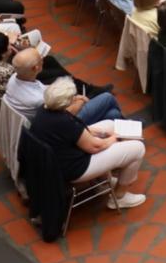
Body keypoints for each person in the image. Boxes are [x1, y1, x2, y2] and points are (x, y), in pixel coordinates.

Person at [34, 80, 148, 209]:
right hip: (76, 168)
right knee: (138, 148)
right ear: (65, 104)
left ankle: (102, 182)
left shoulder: (44, 111)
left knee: (110, 124)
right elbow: (96, 147)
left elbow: (75, 131)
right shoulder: (64, 121)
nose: (77, 98)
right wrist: (115, 138)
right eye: (74, 98)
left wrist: (101, 132)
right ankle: (120, 197)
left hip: (61, 157)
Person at [8, 49, 123, 124]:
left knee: (113, 114)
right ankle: (128, 127)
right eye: (40, 60)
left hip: (49, 117)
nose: (43, 59)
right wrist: (80, 100)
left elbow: (43, 90)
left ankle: (126, 127)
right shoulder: (38, 99)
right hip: (61, 123)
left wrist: (72, 97)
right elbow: (66, 113)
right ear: (35, 68)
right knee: (107, 98)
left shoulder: (14, 78)